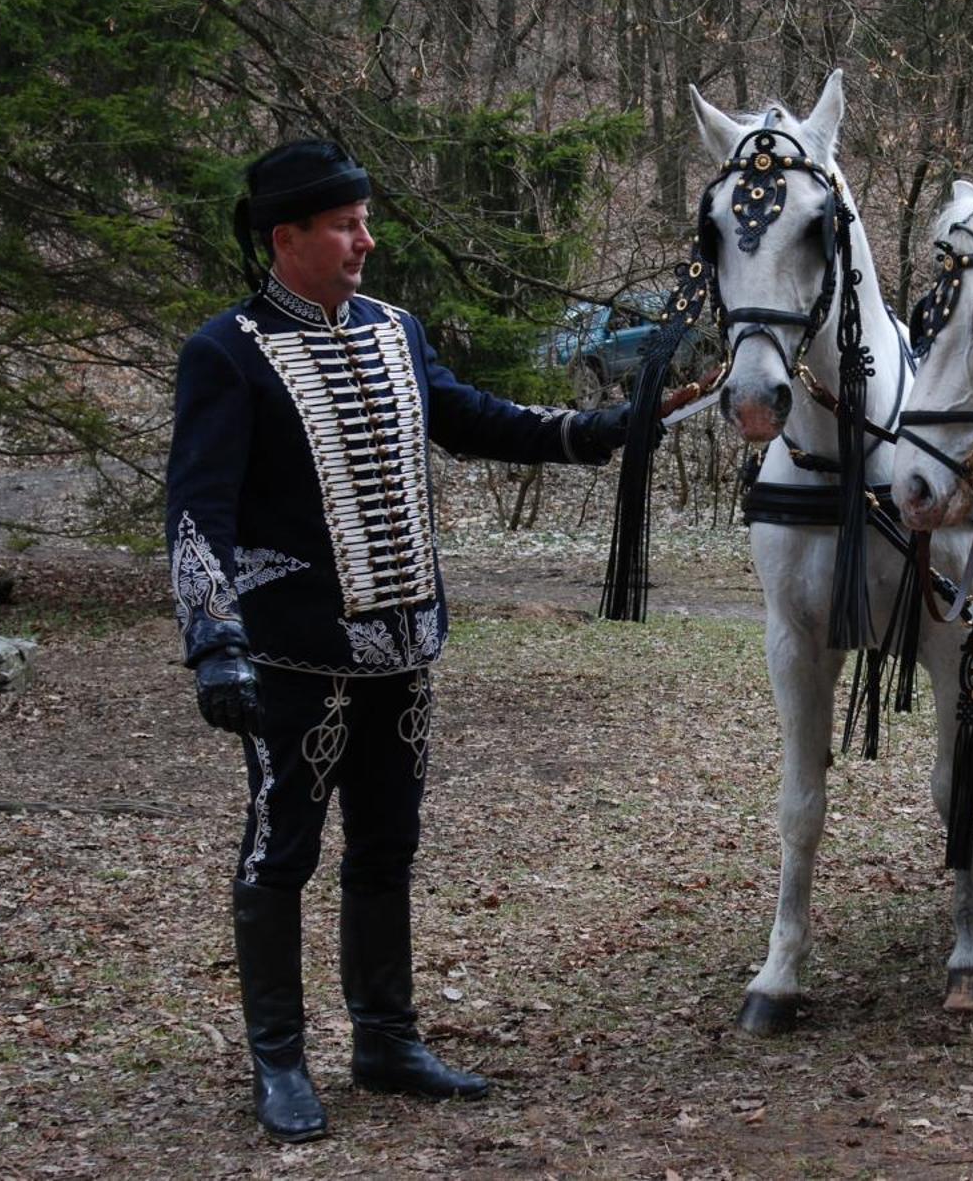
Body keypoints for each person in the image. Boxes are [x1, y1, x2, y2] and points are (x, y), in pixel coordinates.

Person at [166, 139, 642, 1143]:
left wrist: (596, 430)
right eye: (344, 226)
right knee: (279, 853)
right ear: (284, 237)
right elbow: (197, 509)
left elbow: (468, 419)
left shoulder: (394, 329)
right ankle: (281, 1059)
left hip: (404, 648)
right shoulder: (226, 352)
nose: (364, 242)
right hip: (291, 660)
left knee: (386, 848)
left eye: (363, 222)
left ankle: (384, 1038)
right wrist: (215, 644)